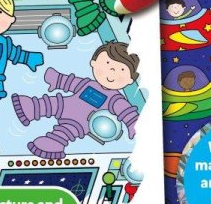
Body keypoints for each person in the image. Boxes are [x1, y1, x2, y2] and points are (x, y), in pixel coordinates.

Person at [11, 42, 140, 159]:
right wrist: (57, 79)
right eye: (107, 63)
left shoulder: (115, 99)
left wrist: (134, 125)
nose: (112, 71)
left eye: (122, 70)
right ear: (94, 62)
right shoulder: (88, 83)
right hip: (64, 104)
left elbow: (127, 112)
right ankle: (31, 108)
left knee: (66, 131)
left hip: (81, 122)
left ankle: (53, 143)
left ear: (130, 80)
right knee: (51, 103)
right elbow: (70, 82)